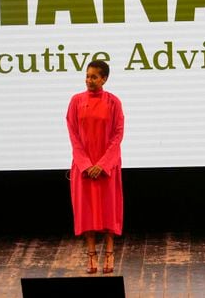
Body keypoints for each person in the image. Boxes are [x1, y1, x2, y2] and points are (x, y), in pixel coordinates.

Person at [66, 60, 124, 274]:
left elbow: (117, 135)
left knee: (109, 210)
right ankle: (91, 253)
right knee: (87, 211)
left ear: (104, 79)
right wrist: (86, 164)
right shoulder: (76, 101)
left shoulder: (114, 102)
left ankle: (109, 251)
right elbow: (73, 135)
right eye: (87, 76)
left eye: (94, 77)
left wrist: (102, 164)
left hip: (107, 167)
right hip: (84, 168)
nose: (88, 80)